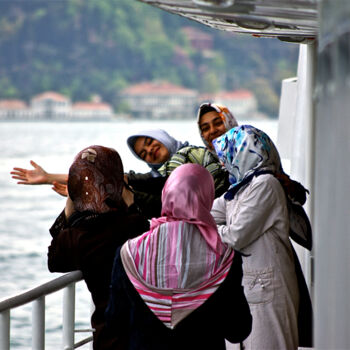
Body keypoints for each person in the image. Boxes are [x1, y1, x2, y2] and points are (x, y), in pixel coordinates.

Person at [105, 163, 252, 350]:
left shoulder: (128, 253)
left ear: (166, 194)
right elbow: (238, 330)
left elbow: (115, 323)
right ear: (206, 197)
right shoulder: (225, 257)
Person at [211, 125, 312, 350]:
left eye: (226, 155)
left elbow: (236, 236)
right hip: (257, 287)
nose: (223, 163)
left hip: (270, 289)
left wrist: (208, 232)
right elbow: (205, 213)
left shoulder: (265, 184)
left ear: (242, 153)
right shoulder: (239, 189)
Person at [47, 145, 150, 350]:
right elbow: (143, 224)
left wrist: (70, 204)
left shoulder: (77, 236)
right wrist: (129, 201)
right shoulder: (133, 224)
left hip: (107, 336)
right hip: (145, 331)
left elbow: (53, 259)